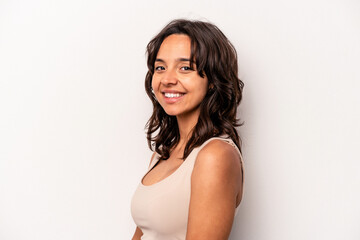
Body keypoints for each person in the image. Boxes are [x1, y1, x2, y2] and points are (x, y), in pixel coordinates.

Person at [131, 19, 244, 240]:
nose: (168, 79)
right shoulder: (161, 155)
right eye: (160, 67)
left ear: (212, 79)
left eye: (185, 68)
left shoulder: (215, 156)